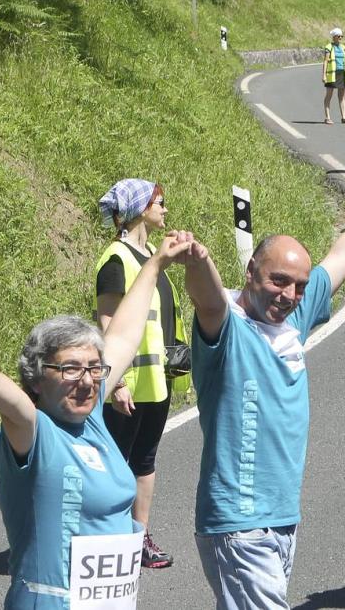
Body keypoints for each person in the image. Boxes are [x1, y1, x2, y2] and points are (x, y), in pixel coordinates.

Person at [184, 161, 345, 610]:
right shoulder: (229, 330)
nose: (289, 295)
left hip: (279, 518)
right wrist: (199, 261)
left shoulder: (295, 316)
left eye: (298, 286)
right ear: (251, 270)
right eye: (278, 281)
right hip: (240, 520)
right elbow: (209, 300)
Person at [0, 233, 193, 608]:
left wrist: (155, 263)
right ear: (38, 378)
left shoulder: (92, 421)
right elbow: (15, 407)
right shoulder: (34, 433)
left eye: (94, 368)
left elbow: (124, 333)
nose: (88, 380)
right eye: (71, 369)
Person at [96, 179, 191, 569]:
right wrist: (114, 381)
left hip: (157, 381)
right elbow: (106, 322)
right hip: (130, 384)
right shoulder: (116, 259)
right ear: (138, 209)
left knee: (145, 461)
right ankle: (108, 538)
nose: (165, 209)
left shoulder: (152, 252)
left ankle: (139, 539)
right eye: (159, 203)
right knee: (118, 463)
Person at [322, 28, 345, 124]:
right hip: (332, 74)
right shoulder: (329, 47)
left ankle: (343, 117)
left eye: (341, 36)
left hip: (342, 74)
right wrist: (324, 75)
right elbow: (325, 61)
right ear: (334, 37)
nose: (340, 38)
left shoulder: (343, 47)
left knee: (342, 96)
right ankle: (327, 117)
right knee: (329, 95)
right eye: (338, 36)